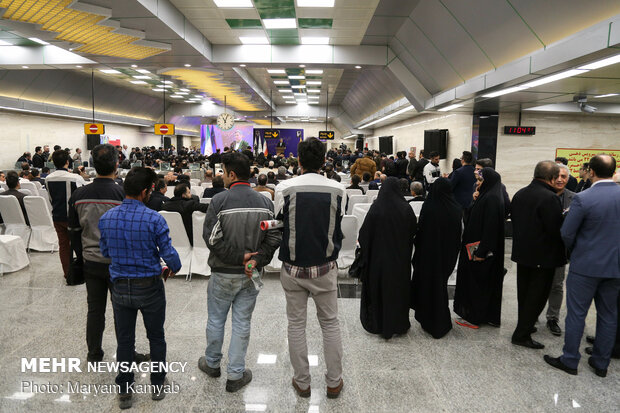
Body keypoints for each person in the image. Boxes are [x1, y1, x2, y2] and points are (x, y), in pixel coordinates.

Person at [99, 167, 181, 409]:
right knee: (156, 336)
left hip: (120, 288)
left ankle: (124, 390)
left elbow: (105, 252)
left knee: (124, 341)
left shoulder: (106, 218)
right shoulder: (155, 219)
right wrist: (172, 267)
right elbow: (170, 257)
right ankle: (157, 385)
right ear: (146, 192)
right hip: (150, 287)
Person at [199, 152, 280, 392]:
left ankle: (212, 363)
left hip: (223, 272)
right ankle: (235, 374)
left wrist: (237, 257)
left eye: (223, 172)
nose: (222, 176)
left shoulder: (219, 201)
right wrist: (257, 260)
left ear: (232, 174)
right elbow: (275, 234)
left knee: (216, 319)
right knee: (242, 322)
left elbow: (211, 239)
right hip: (251, 274)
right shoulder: (266, 202)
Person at [274, 137, 345, 399]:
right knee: (330, 324)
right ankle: (334, 382)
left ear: (299, 161)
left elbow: (279, 225)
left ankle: (302, 382)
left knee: (296, 325)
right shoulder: (338, 190)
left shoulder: (284, 188)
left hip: (292, 269)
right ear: (325, 160)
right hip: (325, 268)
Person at [68, 144, 149, 364]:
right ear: (116, 165)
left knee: (95, 310)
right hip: (119, 263)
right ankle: (127, 354)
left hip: (91, 262)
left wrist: (82, 255)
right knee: (122, 310)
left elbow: (74, 232)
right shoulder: (123, 194)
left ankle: (94, 353)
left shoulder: (78, 195)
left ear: (93, 165)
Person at [544, 155, 620, 377]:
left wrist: (578, 250)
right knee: (608, 315)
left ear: (591, 171)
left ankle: (570, 360)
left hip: (585, 266)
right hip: (615, 267)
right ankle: (601, 363)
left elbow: (567, 233)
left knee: (577, 314)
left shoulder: (583, 198)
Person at [510, 161, 566, 349]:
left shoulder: (520, 194)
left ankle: (523, 326)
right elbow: (555, 230)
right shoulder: (549, 198)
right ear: (551, 178)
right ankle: (522, 334)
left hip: (523, 254)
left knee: (524, 295)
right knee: (537, 297)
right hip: (543, 257)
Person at [359, 177, 417, 338]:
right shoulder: (406, 208)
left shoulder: (376, 208)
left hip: (379, 260)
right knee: (398, 290)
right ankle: (398, 323)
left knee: (379, 289)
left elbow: (364, 234)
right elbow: (413, 230)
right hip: (399, 259)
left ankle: (378, 323)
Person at [453, 168, 505, 328]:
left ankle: (474, 317)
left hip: (479, 251)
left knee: (477, 284)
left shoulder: (491, 199)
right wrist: (474, 200)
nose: (477, 182)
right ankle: (484, 315)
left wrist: (481, 252)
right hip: (477, 248)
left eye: (481, 180)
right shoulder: (488, 196)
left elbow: (490, 229)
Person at [411, 178, 462, 338]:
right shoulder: (456, 208)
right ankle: (441, 320)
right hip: (447, 255)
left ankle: (429, 319)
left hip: (428, 255)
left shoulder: (430, 206)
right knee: (440, 285)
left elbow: (421, 231)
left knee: (429, 286)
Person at [45, 149, 86, 279]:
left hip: (57, 215)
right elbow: (82, 196)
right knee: (80, 244)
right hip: (73, 218)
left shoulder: (48, 178)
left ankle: (67, 272)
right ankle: (82, 271)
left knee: (63, 245)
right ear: (67, 162)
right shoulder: (75, 178)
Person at [545, 164, 575, 336]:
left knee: (556, 286)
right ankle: (532, 316)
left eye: (564, 177)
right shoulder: (542, 195)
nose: (559, 179)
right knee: (537, 285)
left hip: (561, 250)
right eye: (556, 176)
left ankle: (553, 318)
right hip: (541, 249)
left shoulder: (575, 198)